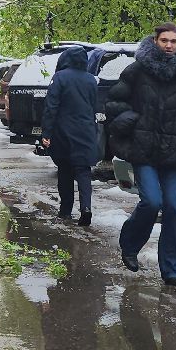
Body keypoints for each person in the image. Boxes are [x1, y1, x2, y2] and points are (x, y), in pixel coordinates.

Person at [104, 24, 176, 285]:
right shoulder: (137, 70)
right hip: (144, 149)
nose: (169, 45)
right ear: (155, 41)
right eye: (164, 40)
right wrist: (131, 120)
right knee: (151, 202)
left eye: (174, 41)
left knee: (174, 208)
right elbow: (114, 102)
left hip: (175, 151)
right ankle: (130, 244)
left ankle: (174, 270)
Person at [38, 44, 101, 225]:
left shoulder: (60, 77)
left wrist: (46, 132)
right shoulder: (91, 79)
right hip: (86, 130)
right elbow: (94, 106)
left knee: (65, 169)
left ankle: (65, 210)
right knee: (83, 171)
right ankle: (86, 208)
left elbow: (51, 106)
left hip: (63, 131)